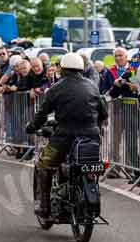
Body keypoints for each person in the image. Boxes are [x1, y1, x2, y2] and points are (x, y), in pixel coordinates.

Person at [26, 53, 108, 218]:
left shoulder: (56, 88)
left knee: (44, 164)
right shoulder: (92, 86)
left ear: (62, 69)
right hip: (91, 138)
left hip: (64, 137)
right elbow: (103, 113)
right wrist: (95, 125)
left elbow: (42, 114)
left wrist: (31, 127)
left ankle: (44, 206)